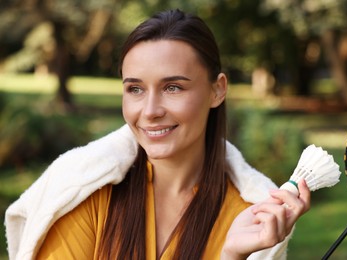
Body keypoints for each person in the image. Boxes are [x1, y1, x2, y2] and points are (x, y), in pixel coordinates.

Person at [5, 9, 310, 260]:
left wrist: (230, 256)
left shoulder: (251, 217)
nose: (150, 110)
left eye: (172, 87)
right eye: (135, 89)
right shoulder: (83, 190)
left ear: (217, 90)